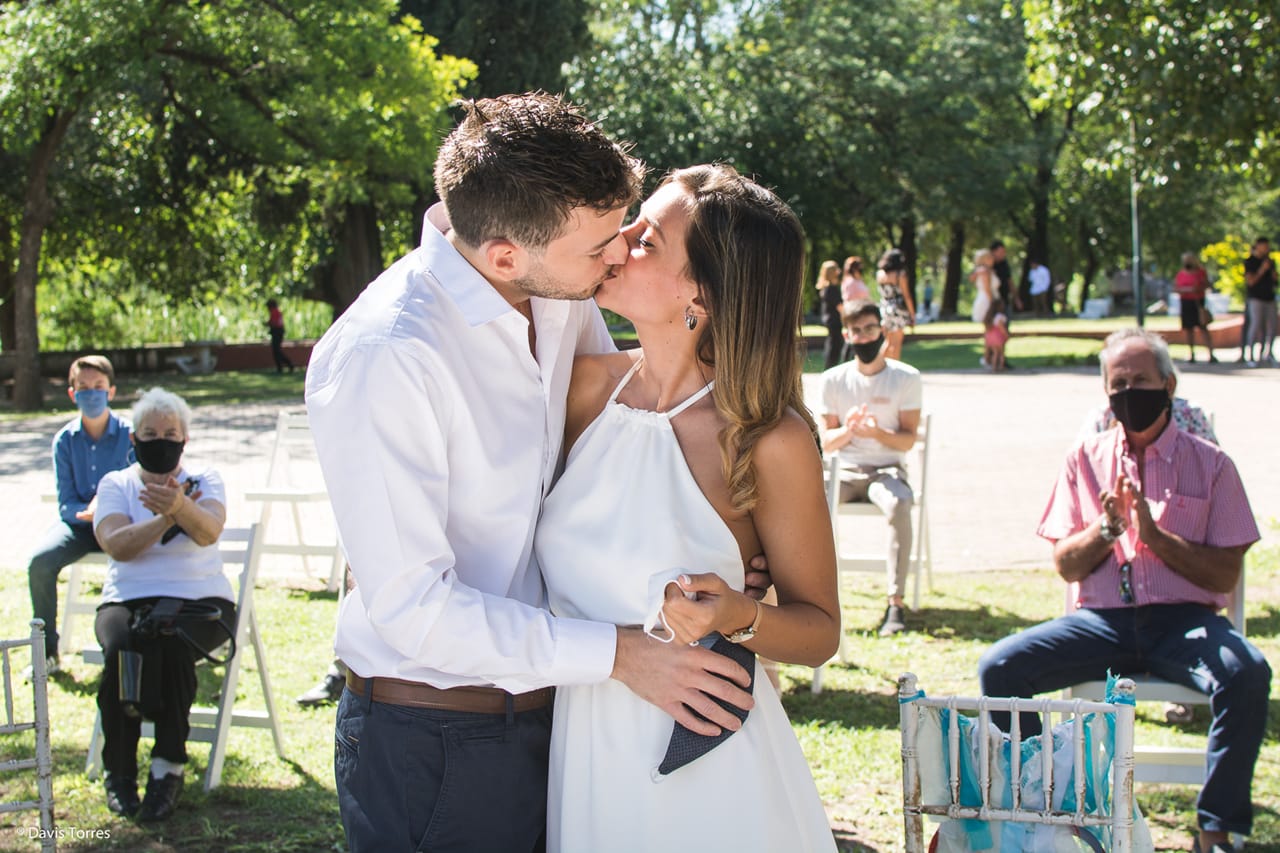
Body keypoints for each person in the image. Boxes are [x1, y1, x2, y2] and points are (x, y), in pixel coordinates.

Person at [304, 93, 761, 853]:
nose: (619, 256)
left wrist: (727, 536)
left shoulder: (554, 286)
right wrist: (618, 654)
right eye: (600, 248)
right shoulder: (385, 355)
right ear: (505, 254)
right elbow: (413, 608)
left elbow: (621, 433)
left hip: (562, 720)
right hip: (435, 743)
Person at [537, 164, 838, 852]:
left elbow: (818, 629)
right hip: (581, 747)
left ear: (698, 293)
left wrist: (738, 614)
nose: (619, 239)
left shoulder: (766, 438)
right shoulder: (582, 390)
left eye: (646, 241)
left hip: (708, 763)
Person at [978, 328, 1271, 853]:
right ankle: (1041, 809)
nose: (1129, 393)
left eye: (1141, 380)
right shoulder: (1084, 459)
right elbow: (1066, 566)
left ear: (1169, 385)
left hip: (1186, 621)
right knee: (999, 668)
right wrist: (1108, 530)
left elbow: (1224, 575)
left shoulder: (1212, 464)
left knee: (1247, 674)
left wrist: (1155, 536)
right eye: (1119, 383)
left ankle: (1215, 829)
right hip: (1103, 622)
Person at [93, 388, 237, 821]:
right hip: (127, 598)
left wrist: (180, 504)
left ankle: (167, 767)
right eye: (150, 433)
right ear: (133, 439)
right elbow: (117, 545)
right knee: (122, 650)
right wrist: (168, 516)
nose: (161, 440)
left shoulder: (205, 479)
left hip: (200, 600)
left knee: (173, 647)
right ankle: (119, 772)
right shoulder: (116, 484)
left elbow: (209, 530)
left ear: (185, 439)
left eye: (170, 432)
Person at [820, 299, 922, 637]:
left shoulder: (906, 377)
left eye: (869, 329)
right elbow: (825, 441)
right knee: (808, 505)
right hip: (845, 471)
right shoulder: (834, 379)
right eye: (856, 331)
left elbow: (907, 441)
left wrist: (877, 432)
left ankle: (896, 602)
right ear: (847, 334)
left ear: (882, 330)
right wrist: (849, 430)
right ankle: (814, 596)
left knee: (899, 504)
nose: (864, 338)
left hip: (886, 469)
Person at [27, 354, 133, 674]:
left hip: (120, 527)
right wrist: (86, 512)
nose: (91, 393)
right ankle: (46, 653)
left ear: (111, 391)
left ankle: (140, 645)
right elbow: (66, 502)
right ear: (72, 394)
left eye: (98, 386)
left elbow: (141, 489)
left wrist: (110, 511)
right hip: (80, 527)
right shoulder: (64, 440)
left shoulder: (131, 434)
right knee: (40, 563)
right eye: (83, 387)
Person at [1174, 252, 1216, 363]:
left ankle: (1211, 353)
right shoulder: (1180, 274)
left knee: (1203, 328)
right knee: (1189, 329)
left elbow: (1207, 285)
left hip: (1198, 302)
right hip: (1186, 302)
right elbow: (1176, 288)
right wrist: (1187, 290)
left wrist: (1198, 287)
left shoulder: (1201, 272)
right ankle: (1191, 354)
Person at [876, 248, 915, 360]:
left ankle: (878, 365)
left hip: (884, 308)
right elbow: (906, 296)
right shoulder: (899, 275)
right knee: (896, 343)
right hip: (897, 309)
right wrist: (912, 314)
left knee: (888, 341)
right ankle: (894, 371)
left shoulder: (880, 274)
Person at [1243, 237, 1276, 365]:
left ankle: (1267, 354)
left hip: (1270, 297)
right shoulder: (1250, 262)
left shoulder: (1270, 261)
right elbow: (1250, 281)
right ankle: (1250, 355)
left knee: (1272, 327)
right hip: (1256, 298)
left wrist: (1272, 271)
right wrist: (1262, 269)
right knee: (1255, 325)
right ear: (1258, 246)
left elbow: (1275, 280)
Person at [816, 259, 844, 370]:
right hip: (834, 320)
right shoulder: (831, 289)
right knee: (835, 345)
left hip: (830, 320)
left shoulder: (826, 288)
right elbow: (839, 306)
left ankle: (830, 366)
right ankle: (830, 367)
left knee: (832, 343)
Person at [264, 298, 295, 373]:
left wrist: (268, 324)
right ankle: (283, 366)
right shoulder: (277, 312)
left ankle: (287, 365)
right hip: (278, 332)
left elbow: (274, 323)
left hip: (277, 332)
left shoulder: (275, 312)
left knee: (276, 351)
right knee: (276, 351)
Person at [969, 248, 996, 326]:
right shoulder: (984, 271)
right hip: (986, 299)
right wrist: (993, 302)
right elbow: (987, 288)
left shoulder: (983, 271)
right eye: (990, 258)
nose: (993, 260)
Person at [983, 298, 1010, 372]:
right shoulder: (1000, 317)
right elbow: (1002, 328)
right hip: (998, 336)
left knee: (995, 353)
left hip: (991, 337)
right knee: (1001, 353)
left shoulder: (990, 317)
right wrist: (1007, 335)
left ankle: (994, 367)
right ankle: (1001, 366)